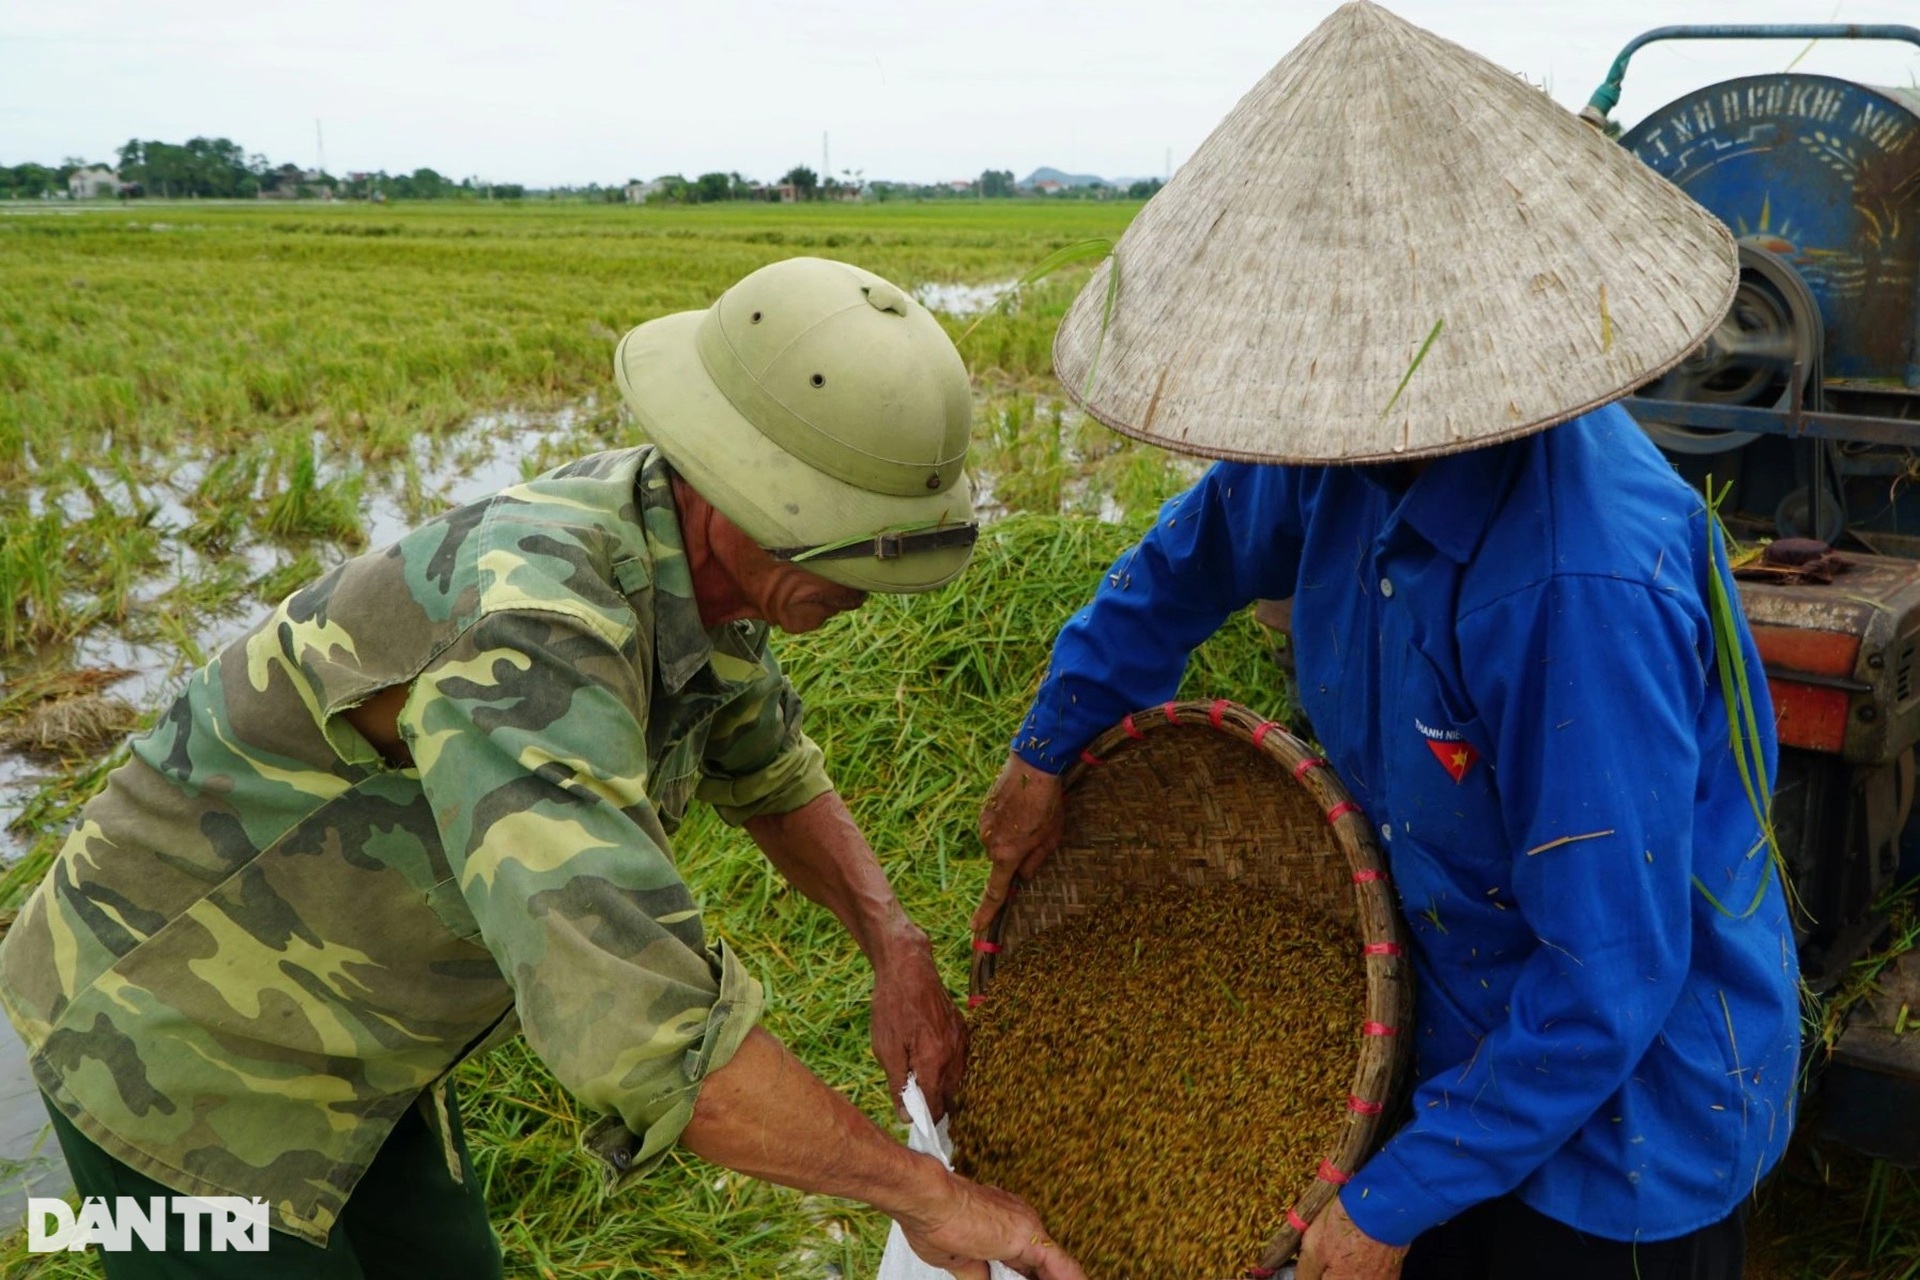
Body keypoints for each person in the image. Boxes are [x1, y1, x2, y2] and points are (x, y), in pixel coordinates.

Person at [0, 255, 1083, 1280]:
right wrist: (926, 1194)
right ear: (731, 491)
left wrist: (892, 940)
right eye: (839, 546)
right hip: (168, 1034)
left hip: (370, 1035)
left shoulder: (687, 556)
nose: (864, 587)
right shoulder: (534, 639)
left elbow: (764, 760)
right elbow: (646, 1029)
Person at [974, 5, 1798, 1279]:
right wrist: (1049, 744)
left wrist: (1387, 1202)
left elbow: (1610, 979)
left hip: (1625, 1140)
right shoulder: (1341, 450)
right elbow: (1179, 566)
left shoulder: (1572, 588)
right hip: (1456, 1029)